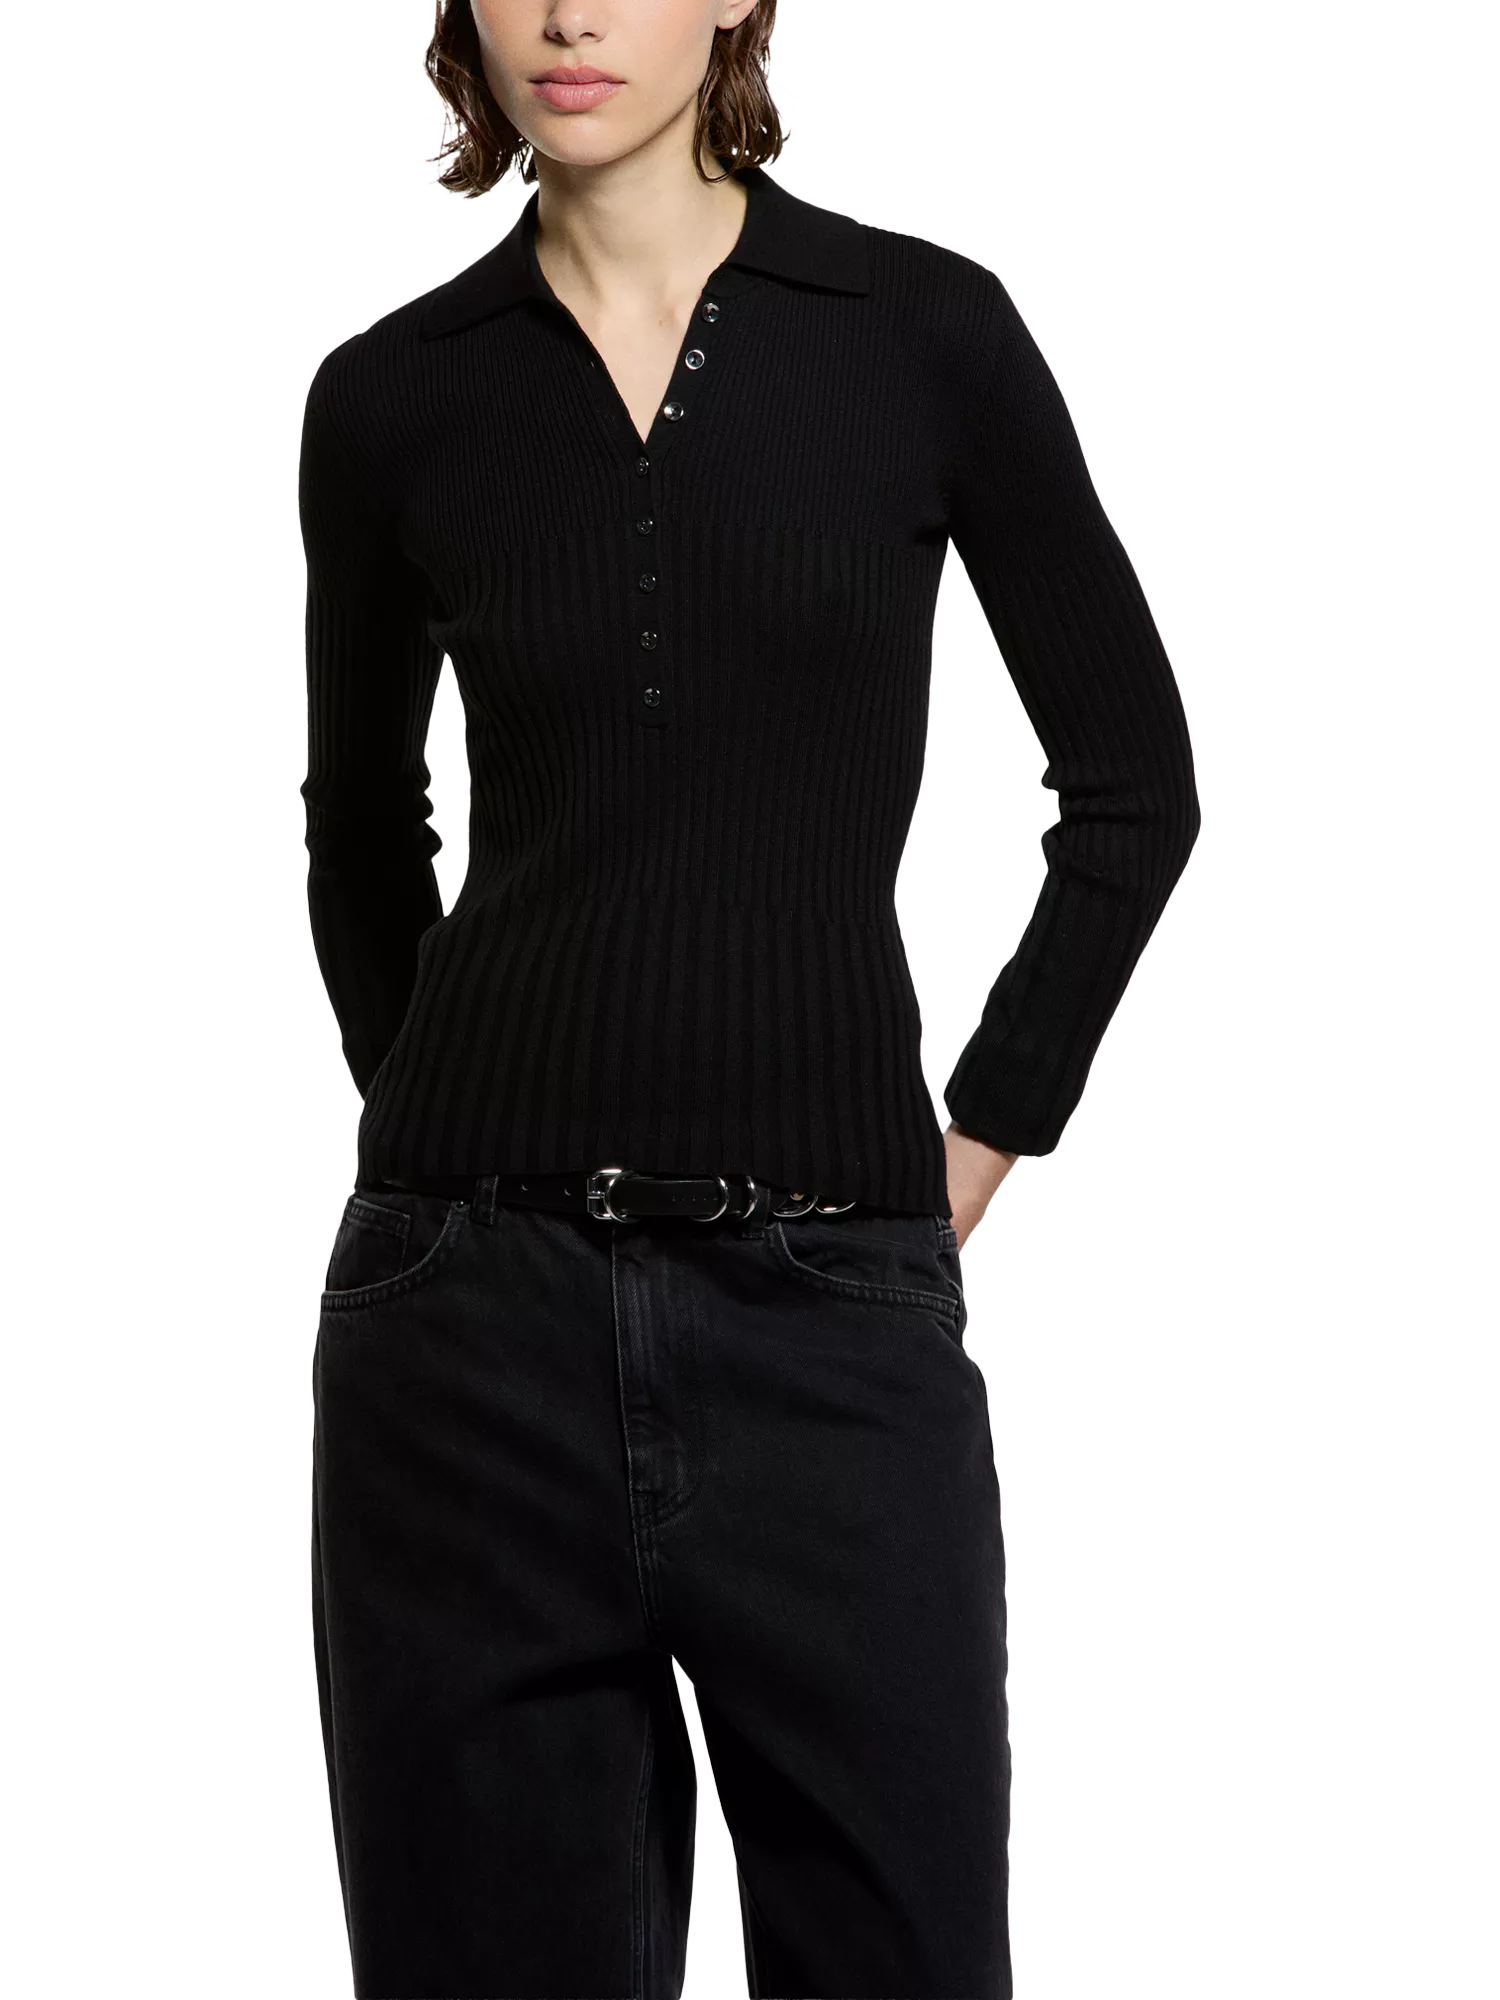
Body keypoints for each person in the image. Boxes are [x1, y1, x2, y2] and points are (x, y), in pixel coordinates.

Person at [297, 2, 1200, 1995]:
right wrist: (445, 1139)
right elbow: (360, 830)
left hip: (829, 1320)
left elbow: (1137, 783)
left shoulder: (922, 334)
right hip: (465, 1349)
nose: (571, 16)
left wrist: (983, 1131)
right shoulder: (391, 395)